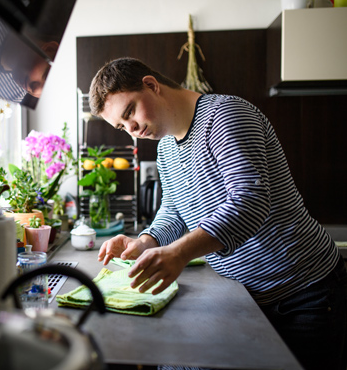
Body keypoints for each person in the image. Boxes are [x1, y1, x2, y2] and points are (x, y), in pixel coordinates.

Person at [90, 57, 346, 370]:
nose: (132, 130)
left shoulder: (225, 115)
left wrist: (180, 252)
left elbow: (249, 202)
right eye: (121, 126)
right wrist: (145, 241)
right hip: (249, 297)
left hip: (306, 291)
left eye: (129, 112)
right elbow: (173, 209)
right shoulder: (166, 148)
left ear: (151, 85)